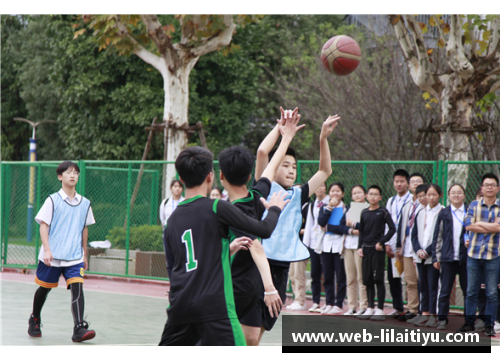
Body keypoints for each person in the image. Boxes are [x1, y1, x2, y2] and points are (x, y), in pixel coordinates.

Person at [158, 146, 289, 346]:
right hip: (214, 308)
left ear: (181, 180)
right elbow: (263, 230)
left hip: (180, 306)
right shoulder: (217, 207)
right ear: (211, 177)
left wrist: (226, 250)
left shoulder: (171, 222)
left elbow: (174, 268)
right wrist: (275, 210)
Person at [249, 108, 339, 344]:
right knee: (247, 331)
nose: (291, 170)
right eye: (285, 165)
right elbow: (261, 152)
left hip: (281, 267)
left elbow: (325, 171)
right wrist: (281, 130)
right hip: (259, 264)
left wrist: (323, 139)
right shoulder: (264, 186)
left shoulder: (299, 194)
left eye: (294, 167)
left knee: (260, 330)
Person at [218, 109, 303, 345]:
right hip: (243, 283)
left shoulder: (224, 208)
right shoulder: (257, 196)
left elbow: (265, 155)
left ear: (220, 176)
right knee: (245, 340)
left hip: (242, 283)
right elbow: (267, 158)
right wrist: (285, 135)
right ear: (249, 177)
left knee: (251, 339)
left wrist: (283, 131)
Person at [28, 161, 96, 342]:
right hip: (53, 256)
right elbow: (44, 226)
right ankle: (34, 318)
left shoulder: (85, 203)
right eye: (68, 172)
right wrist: (47, 250)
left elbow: (84, 229)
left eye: (75, 172)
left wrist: (84, 253)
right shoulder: (52, 200)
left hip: (74, 257)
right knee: (44, 289)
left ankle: (79, 327)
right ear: (60, 177)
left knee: (78, 288)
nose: (72, 175)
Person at [458, 173, 500, 337]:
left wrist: (480, 224)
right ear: (482, 188)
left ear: (497, 188)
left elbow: (499, 229)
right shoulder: (473, 205)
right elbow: (468, 226)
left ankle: (489, 324)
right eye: (486, 184)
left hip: (494, 255)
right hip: (473, 254)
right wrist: (491, 225)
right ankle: (469, 323)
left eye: (492, 185)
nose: (489, 187)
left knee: (491, 292)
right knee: (471, 291)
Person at [356, 185, 396, 321]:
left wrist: (381, 242)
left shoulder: (383, 212)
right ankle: (370, 307)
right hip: (366, 250)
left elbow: (392, 229)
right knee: (367, 280)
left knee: (378, 279)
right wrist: (359, 246)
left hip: (377, 250)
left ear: (380, 197)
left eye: (376, 194)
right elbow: (361, 231)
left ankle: (380, 309)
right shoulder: (364, 212)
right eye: (370, 194)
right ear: (366, 196)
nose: (373, 196)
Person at [432, 183, 468, 330]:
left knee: (468, 291)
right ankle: (442, 318)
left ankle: (469, 321)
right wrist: (436, 257)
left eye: (459, 192)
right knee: (445, 290)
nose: (456, 195)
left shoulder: (470, 212)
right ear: (448, 196)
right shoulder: (444, 213)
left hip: (466, 258)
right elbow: (438, 236)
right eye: (453, 193)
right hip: (447, 258)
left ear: (464, 195)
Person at [329, 184, 368, 316]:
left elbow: (367, 228)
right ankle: (352, 307)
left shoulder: (368, 209)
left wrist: (358, 230)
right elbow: (340, 227)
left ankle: (364, 306)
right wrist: (352, 230)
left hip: (360, 247)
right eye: (354, 193)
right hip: (347, 247)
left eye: (359, 193)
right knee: (350, 278)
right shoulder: (349, 209)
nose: (357, 195)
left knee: (361, 278)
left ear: (365, 195)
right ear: (351, 196)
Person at [410, 184, 444, 328]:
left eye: (433, 194)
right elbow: (414, 234)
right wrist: (418, 250)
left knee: (432, 286)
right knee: (422, 285)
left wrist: (429, 251)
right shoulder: (421, 212)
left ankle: (433, 314)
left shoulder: (443, 212)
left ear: (440, 196)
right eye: (428, 194)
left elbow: (441, 237)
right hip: (420, 256)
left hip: (433, 256)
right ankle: (423, 313)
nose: (430, 197)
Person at [395, 173, 425, 321]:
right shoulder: (407, 205)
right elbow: (401, 227)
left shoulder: (426, 205)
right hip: (406, 248)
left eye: (419, 181)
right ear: (409, 185)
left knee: (423, 281)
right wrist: (398, 248)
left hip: (420, 249)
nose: (415, 184)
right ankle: (412, 309)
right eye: (413, 182)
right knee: (410, 281)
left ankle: (424, 310)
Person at [317, 182, 348, 315]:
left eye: (338, 191)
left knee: (341, 276)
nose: (335, 193)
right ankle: (329, 302)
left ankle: (339, 303)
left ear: (343, 194)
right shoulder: (324, 207)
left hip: (340, 246)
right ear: (329, 193)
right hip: (326, 246)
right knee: (328, 276)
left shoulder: (348, 208)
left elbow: (343, 228)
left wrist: (329, 228)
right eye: (332, 191)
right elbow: (321, 222)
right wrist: (329, 207)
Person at [385, 169, 411, 318]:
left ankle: (414, 308)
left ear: (407, 183)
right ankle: (398, 307)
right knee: (393, 277)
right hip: (393, 244)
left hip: (407, 245)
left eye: (402, 181)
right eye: (397, 181)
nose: (399, 184)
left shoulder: (412, 199)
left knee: (410, 279)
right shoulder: (391, 201)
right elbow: (387, 224)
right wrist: (387, 243)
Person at [287, 182, 315, 311]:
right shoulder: (291, 207)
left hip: (302, 245)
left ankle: (301, 300)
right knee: (292, 274)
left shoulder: (308, 207)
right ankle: (296, 299)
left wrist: (296, 230)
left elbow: (310, 229)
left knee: (299, 274)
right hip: (292, 245)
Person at [302, 182, 329, 313]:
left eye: (322, 186)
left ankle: (328, 302)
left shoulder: (331, 203)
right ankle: (316, 302)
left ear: (326, 188)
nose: (319, 188)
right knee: (315, 274)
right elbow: (309, 225)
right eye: (317, 186)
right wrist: (306, 244)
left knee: (328, 275)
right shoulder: (312, 205)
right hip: (314, 244)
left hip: (328, 244)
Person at [160, 179, 185, 279]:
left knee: (181, 260)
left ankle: (181, 284)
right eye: (175, 186)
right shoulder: (165, 203)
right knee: (170, 262)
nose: (177, 189)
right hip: (168, 234)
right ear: (171, 188)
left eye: (179, 187)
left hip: (181, 235)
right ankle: (172, 286)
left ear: (182, 189)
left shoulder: (185, 202)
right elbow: (162, 219)